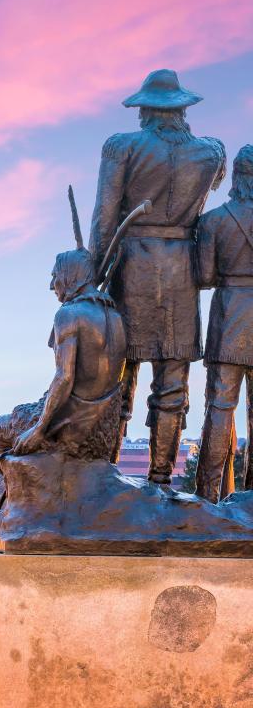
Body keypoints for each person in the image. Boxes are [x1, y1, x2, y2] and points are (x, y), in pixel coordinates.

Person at [89, 69, 226, 484]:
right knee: (172, 381)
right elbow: (214, 186)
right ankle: (161, 476)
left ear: (145, 110)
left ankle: (105, 473)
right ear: (183, 110)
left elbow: (105, 216)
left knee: (117, 375)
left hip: (133, 265)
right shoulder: (212, 152)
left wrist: (92, 278)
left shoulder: (121, 147)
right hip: (183, 267)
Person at [0, 224, 126, 467]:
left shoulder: (69, 314)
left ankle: (26, 495)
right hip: (102, 433)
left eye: (54, 276)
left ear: (70, 275)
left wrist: (38, 430)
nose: (52, 285)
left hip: (69, 427)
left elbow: (64, 378)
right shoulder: (116, 318)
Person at [195, 145, 253, 502]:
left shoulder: (214, 221)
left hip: (229, 316)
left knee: (219, 407)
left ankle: (207, 495)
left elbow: (203, 276)